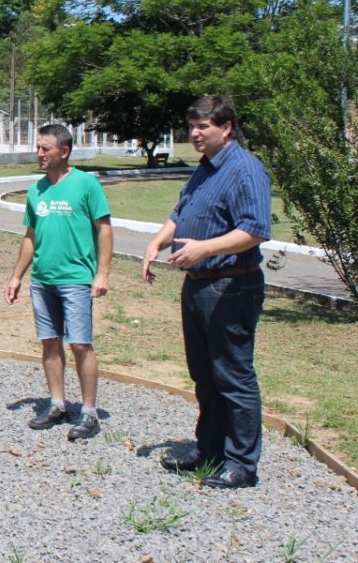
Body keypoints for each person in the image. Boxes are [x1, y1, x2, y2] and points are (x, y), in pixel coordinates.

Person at [142, 95, 270, 489]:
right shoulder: (205, 169)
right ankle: (210, 448)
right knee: (204, 375)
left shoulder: (245, 170)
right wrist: (158, 241)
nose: (195, 134)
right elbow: (181, 212)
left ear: (226, 127)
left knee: (232, 375)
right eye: (192, 127)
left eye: (204, 127)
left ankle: (241, 464)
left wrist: (204, 248)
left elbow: (255, 229)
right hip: (198, 285)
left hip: (230, 285)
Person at [6, 124, 113, 441]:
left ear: (64, 151)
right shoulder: (36, 190)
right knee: (50, 342)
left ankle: (89, 413)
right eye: (38, 147)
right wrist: (16, 276)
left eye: (46, 148)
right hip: (43, 280)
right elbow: (30, 237)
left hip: (76, 279)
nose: (39, 154)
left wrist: (102, 273)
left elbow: (104, 229)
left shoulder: (86, 185)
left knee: (80, 343)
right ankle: (57, 404)